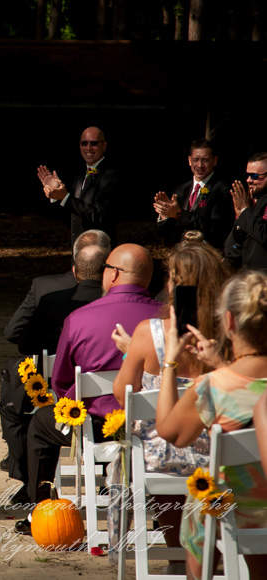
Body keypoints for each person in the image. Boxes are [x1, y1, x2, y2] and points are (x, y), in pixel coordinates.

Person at [16, 243, 161, 534]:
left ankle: (40, 512)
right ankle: (165, 515)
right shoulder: (169, 318)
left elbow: (61, 382)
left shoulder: (79, 318)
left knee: (40, 424)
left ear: (114, 274)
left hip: (94, 426)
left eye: (105, 268)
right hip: (157, 428)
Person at [110, 242, 231, 569]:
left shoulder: (148, 333)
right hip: (221, 454)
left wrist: (133, 351)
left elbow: (123, 395)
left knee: (155, 441)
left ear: (175, 284)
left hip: (161, 457)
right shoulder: (232, 333)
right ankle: (211, 552)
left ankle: (178, 552)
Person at [156, 270, 267, 580]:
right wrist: (222, 364)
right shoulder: (220, 377)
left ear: (229, 322)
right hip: (263, 511)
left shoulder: (213, 386)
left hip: (228, 509)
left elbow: (171, 433)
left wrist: (170, 362)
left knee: (205, 497)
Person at [0, 232, 108, 504]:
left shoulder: (46, 288)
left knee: (14, 398)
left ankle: (27, 477)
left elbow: (17, 336)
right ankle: (110, 474)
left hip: (53, 390)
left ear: (74, 264)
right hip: (110, 397)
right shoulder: (122, 299)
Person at [37, 126, 119, 245]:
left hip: (99, 250)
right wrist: (56, 194)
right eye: (84, 143)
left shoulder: (111, 175)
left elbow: (98, 216)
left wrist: (65, 197)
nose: (88, 148)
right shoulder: (80, 175)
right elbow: (73, 212)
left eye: (94, 143)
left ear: (104, 146)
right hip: (79, 249)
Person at [154, 139, 233, 248]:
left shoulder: (223, 189)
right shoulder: (181, 189)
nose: (200, 165)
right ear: (189, 160)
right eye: (196, 160)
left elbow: (217, 228)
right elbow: (165, 233)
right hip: (181, 252)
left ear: (214, 161)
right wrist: (165, 216)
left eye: (205, 160)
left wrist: (179, 214)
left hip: (207, 252)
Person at [224, 152, 267, 270]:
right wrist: (240, 220)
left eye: (254, 176)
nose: (249, 180)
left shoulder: (249, 206)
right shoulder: (251, 200)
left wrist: (245, 211)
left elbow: (264, 236)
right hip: (246, 272)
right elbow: (233, 246)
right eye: (247, 175)